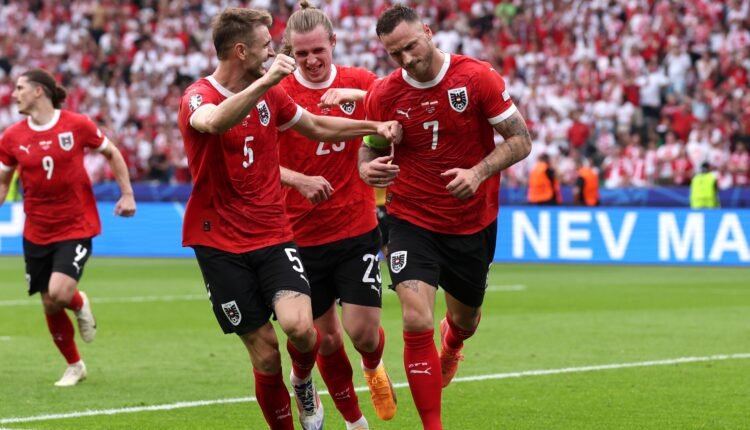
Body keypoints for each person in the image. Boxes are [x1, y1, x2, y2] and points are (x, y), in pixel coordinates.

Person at [176, 8, 400, 430]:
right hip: (220, 242)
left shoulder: (276, 93)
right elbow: (214, 122)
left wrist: (374, 125)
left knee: (304, 330)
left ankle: (308, 379)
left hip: (276, 234)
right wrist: (266, 83)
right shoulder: (199, 96)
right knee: (266, 353)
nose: (273, 52)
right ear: (241, 51)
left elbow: (316, 125)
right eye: (266, 45)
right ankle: (323, 410)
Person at [358, 6, 532, 429]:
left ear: (429, 32)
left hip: (471, 222)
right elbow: (367, 149)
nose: (406, 59)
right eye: (395, 53)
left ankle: (452, 344)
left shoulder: (476, 78)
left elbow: (521, 140)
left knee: (465, 321)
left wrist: (478, 172)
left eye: (411, 46)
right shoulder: (384, 94)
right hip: (411, 219)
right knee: (414, 318)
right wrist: (367, 168)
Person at [277, 3, 396, 429]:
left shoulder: (360, 82)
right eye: (301, 53)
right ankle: (352, 420)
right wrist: (297, 180)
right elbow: (252, 159)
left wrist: (360, 99)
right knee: (324, 339)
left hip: (355, 228)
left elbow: (399, 115)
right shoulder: (277, 91)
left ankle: (373, 366)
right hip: (298, 236)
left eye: (318, 51)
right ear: (290, 51)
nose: (311, 60)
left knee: (364, 334)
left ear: (333, 43)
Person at [0, 68, 136, 387]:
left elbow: (112, 152)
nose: (14, 94)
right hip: (36, 229)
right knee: (49, 302)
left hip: (76, 224)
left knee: (60, 293)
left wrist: (127, 193)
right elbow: (4, 181)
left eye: (19, 88)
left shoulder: (77, 125)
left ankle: (78, 301)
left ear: (39, 92)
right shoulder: (11, 137)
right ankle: (75, 366)